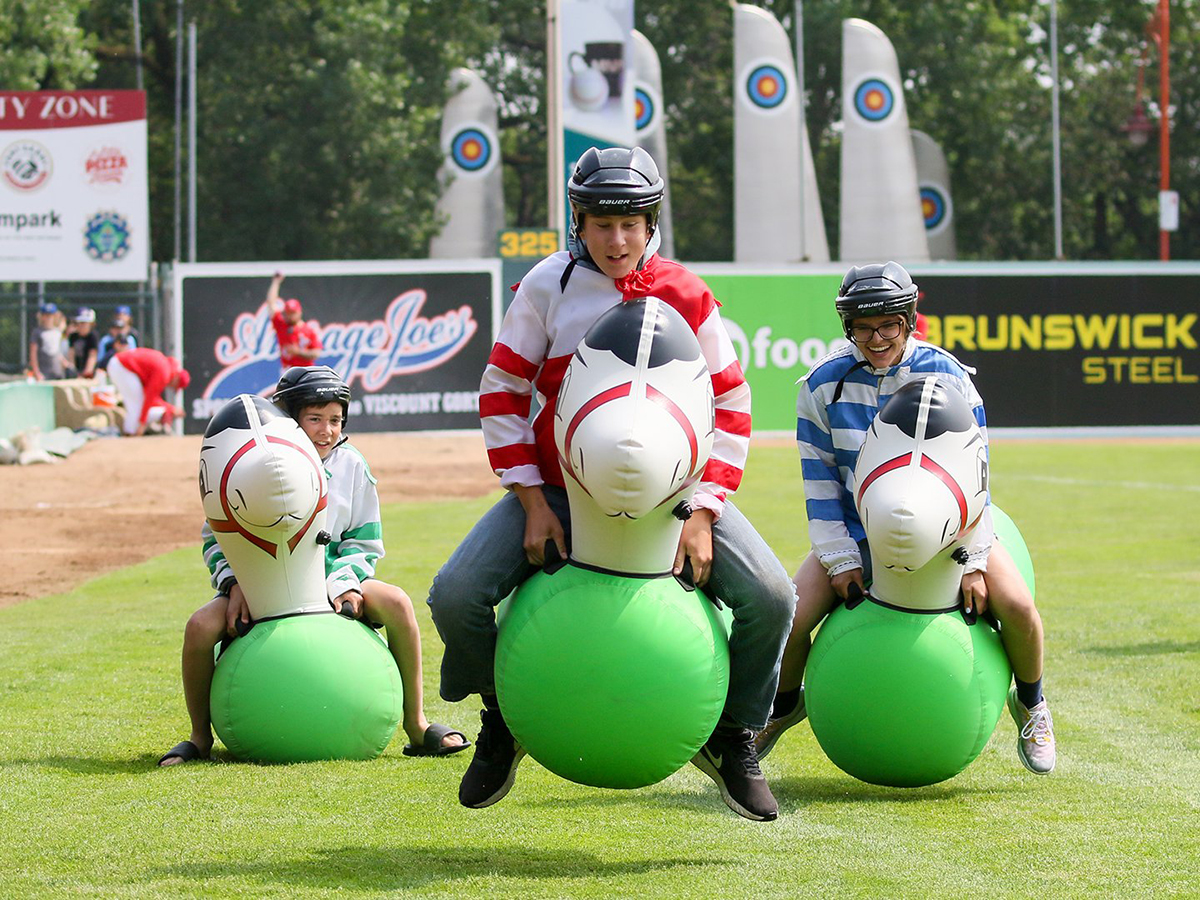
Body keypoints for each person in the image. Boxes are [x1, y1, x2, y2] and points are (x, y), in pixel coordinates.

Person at [427, 146, 796, 821]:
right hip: (561, 490)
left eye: (631, 224)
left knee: (773, 596)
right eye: (602, 224)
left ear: (652, 222)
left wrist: (704, 511)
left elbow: (733, 401)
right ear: (578, 219)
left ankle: (732, 736)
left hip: (676, 496)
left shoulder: (689, 293)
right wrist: (533, 501)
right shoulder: (546, 286)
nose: (617, 240)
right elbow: (503, 389)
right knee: (455, 595)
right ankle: (501, 716)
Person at [756, 261, 1056, 775]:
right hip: (858, 532)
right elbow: (820, 484)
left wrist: (973, 560)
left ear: (909, 319)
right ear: (846, 326)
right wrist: (839, 559)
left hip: (947, 537)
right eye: (862, 326)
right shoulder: (820, 387)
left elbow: (976, 481)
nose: (876, 337)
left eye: (889, 324)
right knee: (791, 618)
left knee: (1021, 610)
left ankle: (1032, 705)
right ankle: (784, 707)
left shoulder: (950, 376)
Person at [159, 366, 469, 765]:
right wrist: (236, 585)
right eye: (315, 419)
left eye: (336, 420)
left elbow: (364, 540)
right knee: (200, 627)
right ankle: (199, 738)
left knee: (399, 604)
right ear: (288, 420)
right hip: (261, 586)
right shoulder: (250, 467)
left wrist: (344, 584)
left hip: (335, 583)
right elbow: (217, 535)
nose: (327, 431)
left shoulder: (353, 465)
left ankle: (417, 725)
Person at [105, 347, 190, 436]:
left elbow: (152, 398)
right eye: (175, 385)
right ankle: (130, 435)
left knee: (137, 405)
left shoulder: (166, 368)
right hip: (121, 366)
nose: (172, 387)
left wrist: (170, 408)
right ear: (176, 378)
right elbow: (148, 398)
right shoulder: (164, 373)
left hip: (119, 365)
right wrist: (142, 423)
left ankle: (130, 433)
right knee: (137, 406)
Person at [266, 272, 322, 371]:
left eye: (293, 313)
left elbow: (316, 352)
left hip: (306, 371)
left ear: (299, 312)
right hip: (287, 371)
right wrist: (276, 282)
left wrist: (298, 352)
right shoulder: (282, 325)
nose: (290, 316)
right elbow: (271, 303)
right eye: (288, 313)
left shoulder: (308, 330)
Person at [28, 302, 65, 381]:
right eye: (46, 315)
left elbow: (58, 352)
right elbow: (33, 354)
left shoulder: (57, 332)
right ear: (41, 316)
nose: (48, 318)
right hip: (44, 373)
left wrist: (66, 364)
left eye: (50, 315)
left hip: (57, 372)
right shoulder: (37, 332)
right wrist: (37, 373)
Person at [66, 307, 99, 378]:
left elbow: (92, 356)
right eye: (79, 323)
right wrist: (73, 370)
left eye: (84, 323)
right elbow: (71, 354)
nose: (81, 326)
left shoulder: (93, 336)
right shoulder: (73, 336)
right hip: (77, 371)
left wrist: (86, 373)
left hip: (89, 373)